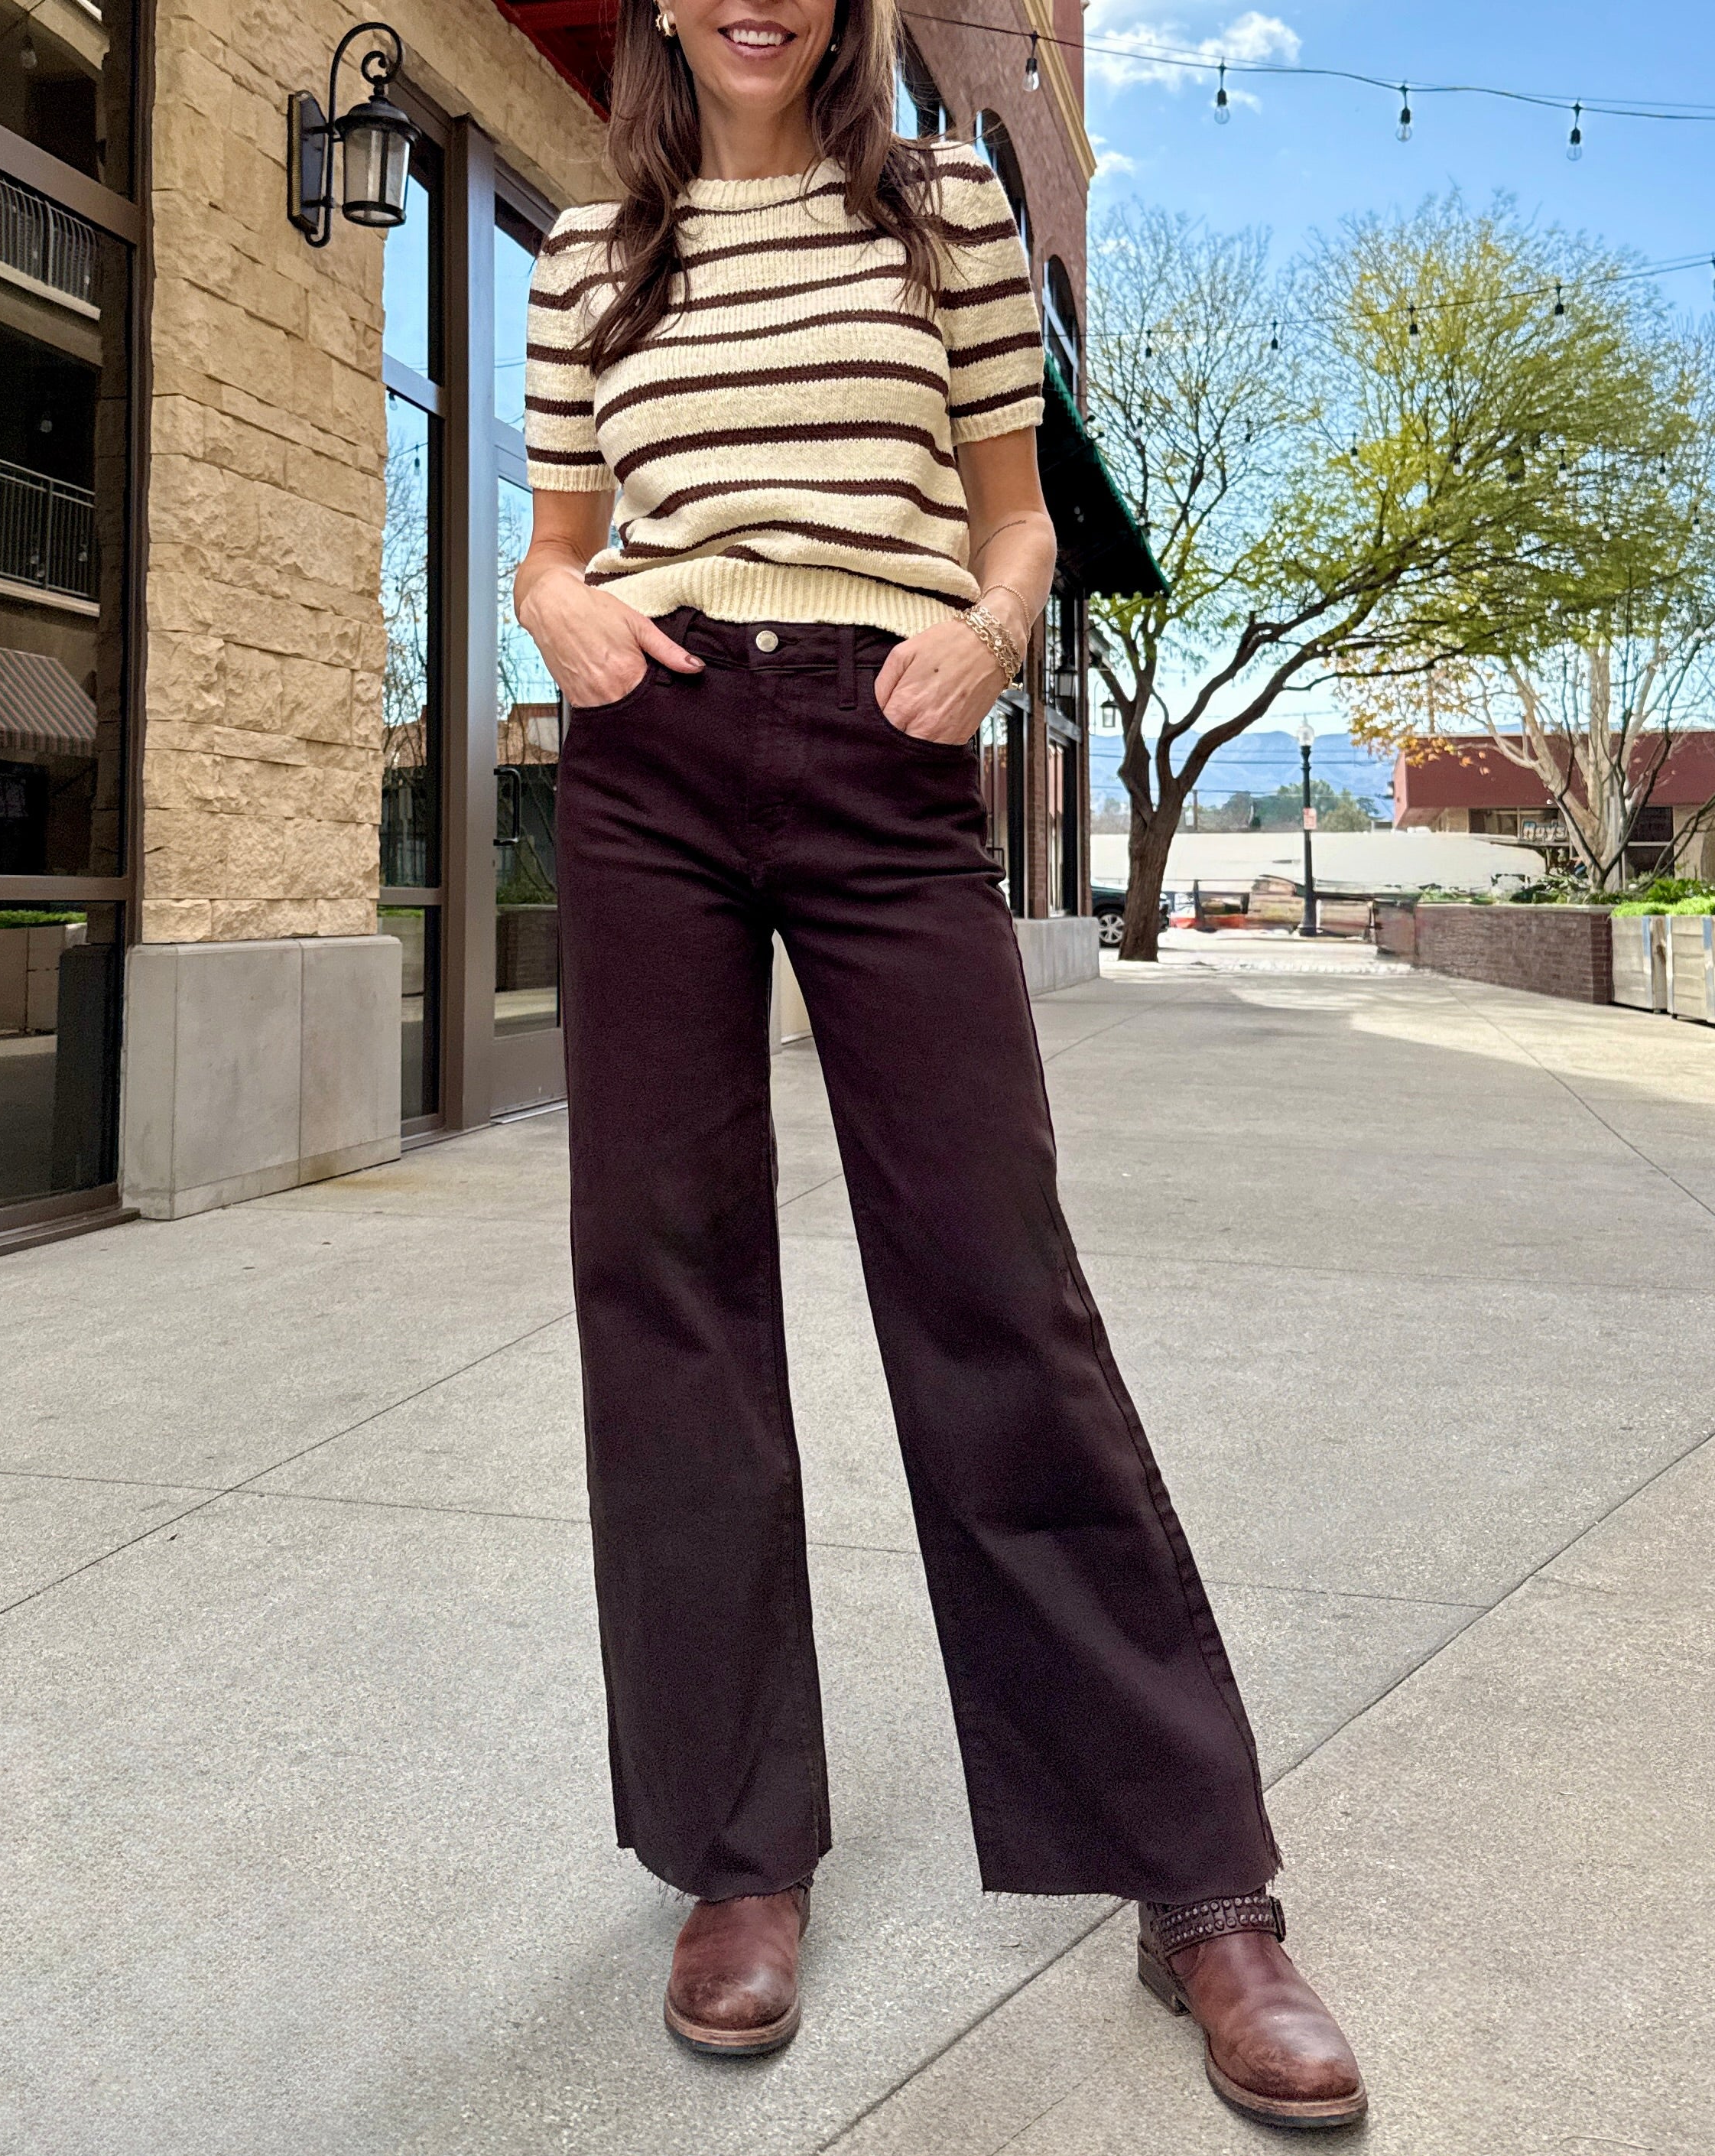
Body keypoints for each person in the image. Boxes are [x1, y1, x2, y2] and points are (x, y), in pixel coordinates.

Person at [514, 0, 1366, 2128]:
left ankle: (1200, 1875)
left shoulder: (948, 217)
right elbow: (552, 532)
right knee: (670, 1290)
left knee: (999, 1285)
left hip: (889, 751)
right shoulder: (583, 257)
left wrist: (989, 643)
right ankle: (739, 1848)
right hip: (652, 754)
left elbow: (1014, 517)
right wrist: (560, 614)